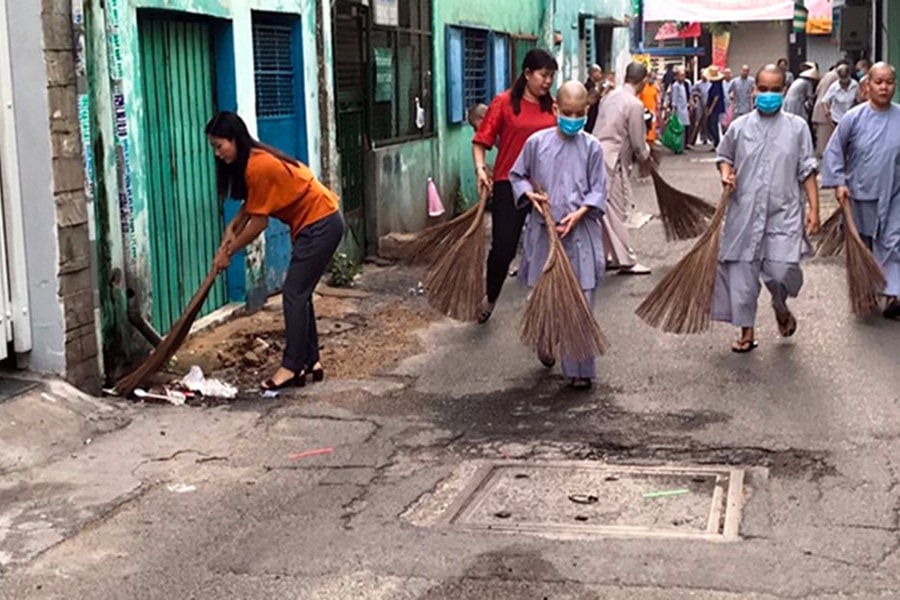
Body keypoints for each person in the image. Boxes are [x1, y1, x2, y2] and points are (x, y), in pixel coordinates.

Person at [206, 112, 344, 390]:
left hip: (320, 224)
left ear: (234, 140)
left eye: (220, 146)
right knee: (300, 295)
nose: (218, 154)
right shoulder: (253, 161)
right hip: (320, 222)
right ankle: (311, 361)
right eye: (214, 149)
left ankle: (291, 367)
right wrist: (231, 227)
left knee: (293, 294)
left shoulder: (259, 165)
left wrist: (228, 251)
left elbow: (259, 222)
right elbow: (252, 205)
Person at [712, 64, 820, 353]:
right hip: (744, 212)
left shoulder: (797, 128)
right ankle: (746, 331)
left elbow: (807, 169)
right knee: (742, 278)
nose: (769, 95)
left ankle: (780, 303)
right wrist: (726, 173)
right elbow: (724, 156)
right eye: (764, 89)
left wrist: (814, 209)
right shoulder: (739, 127)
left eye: (776, 90)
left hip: (783, 213)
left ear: (784, 92)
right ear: (755, 90)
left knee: (783, 270)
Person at [509, 81, 607, 390]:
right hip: (545, 233)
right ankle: (544, 337)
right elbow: (517, 175)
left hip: (581, 235)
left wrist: (580, 213)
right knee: (548, 296)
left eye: (579, 113)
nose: (573, 118)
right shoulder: (536, 143)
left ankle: (581, 369)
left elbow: (598, 190)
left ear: (587, 112)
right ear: (555, 109)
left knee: (581, 299)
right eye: (567, 112)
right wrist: (530, 196)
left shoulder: (592, 147)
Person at [472, 49, 558, 324]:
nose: (547, 82)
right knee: (504, 247)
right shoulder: (504, 102)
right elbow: (481, 140)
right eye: (544, 75)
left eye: (551, 76)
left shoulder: (552, 106)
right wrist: (480, 169)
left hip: (544, 188)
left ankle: (541, 315)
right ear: (528, 73)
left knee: (547, 250)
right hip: (509, 184)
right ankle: (491, 295)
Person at [821, 62, 900, 319]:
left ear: (894, 85)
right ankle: (865, 290)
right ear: (868, 85)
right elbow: (834, 152)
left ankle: (892, 296)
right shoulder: (853, 118)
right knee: (863, 244)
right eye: (879, 82)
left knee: (892, 243)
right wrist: (839, 182)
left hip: (895, 194)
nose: (884, 87)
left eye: (889, 82)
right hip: (860, 195)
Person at [592, 61, 652, 275]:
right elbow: (637, 141)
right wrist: (646, 157)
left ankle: (606, 255)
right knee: (616, 211)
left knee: (605, 210)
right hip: (613, 160)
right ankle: (626, 260)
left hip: (597, 156)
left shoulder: (609, 97)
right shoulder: (634, 104)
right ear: (644, 82)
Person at [811, 61, 846, 159]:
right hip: (825, 111)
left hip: (818, 108)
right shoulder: (836, 77)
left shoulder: (827, 75)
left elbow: (817, 91)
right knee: (825, 145)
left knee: (821, 141)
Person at [667, 65, 693, 150]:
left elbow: (689, 95)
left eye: (683, 75)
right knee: (679, 128)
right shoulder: (675, 86)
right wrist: (673, 110)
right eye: (680, 75)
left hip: (685, 108)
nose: (682, 77)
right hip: (679, 109)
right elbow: (674, 98)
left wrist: (690, 104)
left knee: (685, 127)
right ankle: (678, 145)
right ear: (676, 76)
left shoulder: (686, 84)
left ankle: (684, 144)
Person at [705, 65, 727, 149]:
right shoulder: (715, 84)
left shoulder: (716, 85)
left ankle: (716, 142)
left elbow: (716, 97)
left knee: (713, 125)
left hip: (715, 108)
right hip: (714, 107)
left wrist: (711, 108)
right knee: (711, 124)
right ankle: (715, 141)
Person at [585, 64, 604, 133]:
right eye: (599, 72)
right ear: (594, 73)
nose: (600, 75)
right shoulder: (589, 86)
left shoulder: (596, 85)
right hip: (590, 116)